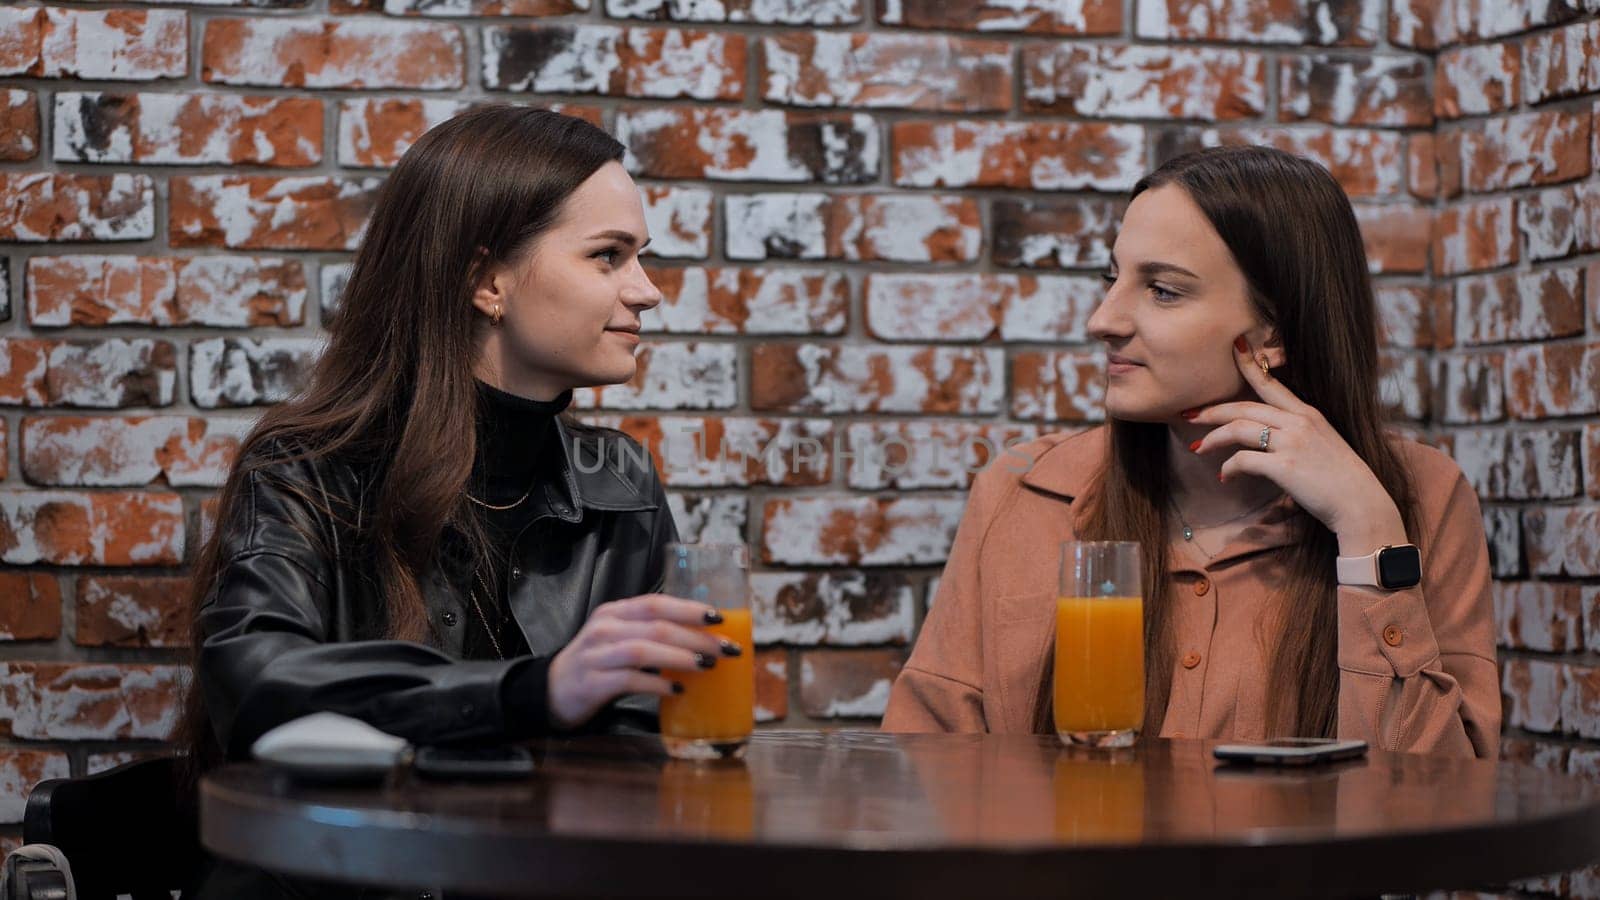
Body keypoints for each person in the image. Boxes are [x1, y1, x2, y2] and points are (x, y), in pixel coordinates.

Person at [176, 106, 741, 895]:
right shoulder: (309, 468)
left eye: (639, 257)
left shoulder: (622, 484)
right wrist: (535, 691)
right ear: (486, 282)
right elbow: (258, 682)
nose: (646, 291)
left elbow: (645, 748)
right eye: (608, 256)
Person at [882, 146, 1499, 759]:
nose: (1103, 319)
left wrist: (1368, 534)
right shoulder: (1021, 491)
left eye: (1163, 291)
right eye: (1112, 278)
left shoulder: (1421, 498)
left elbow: (1442, 804)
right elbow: (925, 773)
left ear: (1273, 332)